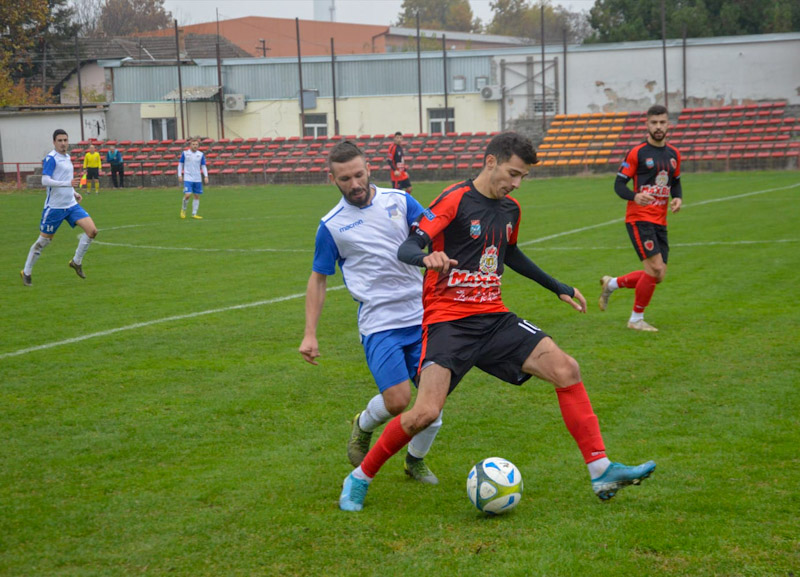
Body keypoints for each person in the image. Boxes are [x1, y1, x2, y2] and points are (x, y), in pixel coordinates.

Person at [339, 131, 656, 512]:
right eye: (512, 173)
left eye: (522, 177)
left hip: (494, 319)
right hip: (448, 323)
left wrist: (557, 286)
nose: (516, 183)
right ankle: (359, 478)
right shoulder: (454, 200)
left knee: (566, 368)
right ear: (490, 162)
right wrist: (426, 259)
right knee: (424, 413)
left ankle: (600, 468)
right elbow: (408, 246)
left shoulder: (511, 210)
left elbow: (511, 253)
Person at [300, 141, 441, 484]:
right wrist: (310, 332)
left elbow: (436, 230)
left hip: (423, 317)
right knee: (397, 401)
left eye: (359, 174)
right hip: (380, 324)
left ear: (369, 169)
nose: (355, 184)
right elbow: (318, 279)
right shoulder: (331, 226)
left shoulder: (399, 200)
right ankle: (363, 423)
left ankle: (415, 461)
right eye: (345, 178)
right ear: (331, 178)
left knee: (431, 405)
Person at [598, 104, 683, 332]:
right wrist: (635, 196)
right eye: (654, 122)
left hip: (660, 221)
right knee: (654, 269)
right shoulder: (637, 152)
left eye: (662, 122)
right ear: (647, 124)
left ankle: (612, 283)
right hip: (639, 218)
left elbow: (675, 181)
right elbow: (618, 185)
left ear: (668, 124)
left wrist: (677, 198)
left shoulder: (674, 154)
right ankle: (636, 320)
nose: (658, 127)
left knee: (658, 275)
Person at [20, 129, 98, 286]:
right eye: (60, 140)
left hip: (71, 205)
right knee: (43, 242)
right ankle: (26, 272)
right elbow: (45, 181)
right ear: (54, 142)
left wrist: (74, 192)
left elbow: (65, 179)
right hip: (54, 208)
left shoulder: (67, 157)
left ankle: (76, 262)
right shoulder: (51, 158)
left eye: (65, 140)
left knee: (92, 231)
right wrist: (67, 184)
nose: (63, 143)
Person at [178, 137, 208, 219]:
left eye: (196, 145)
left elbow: (203, 166)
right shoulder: (185, 153)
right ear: (190, 145)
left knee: (196, 196)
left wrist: (206, 176)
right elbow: (180, 164)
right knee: (187, 195)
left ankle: (194, 214)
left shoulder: (200, 154)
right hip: (188, 177)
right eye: (193, 144)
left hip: (197, 178)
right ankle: (183, 209)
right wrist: (179, 175)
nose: (195, 146)